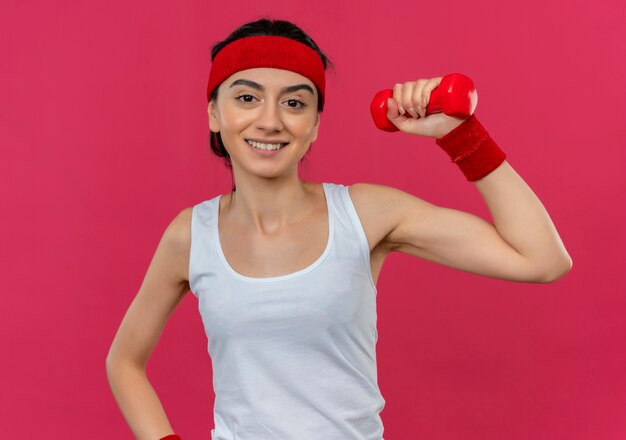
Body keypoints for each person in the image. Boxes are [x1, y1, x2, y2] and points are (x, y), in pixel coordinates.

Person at [105, 17, 572, 440]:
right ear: (214, 113)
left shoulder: (365, 214)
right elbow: (124, 362)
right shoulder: (191, 235)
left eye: (294, 102)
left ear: (315, 124)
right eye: (247, 98)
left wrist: (459, 134)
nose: (270, 120)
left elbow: (542, 260)